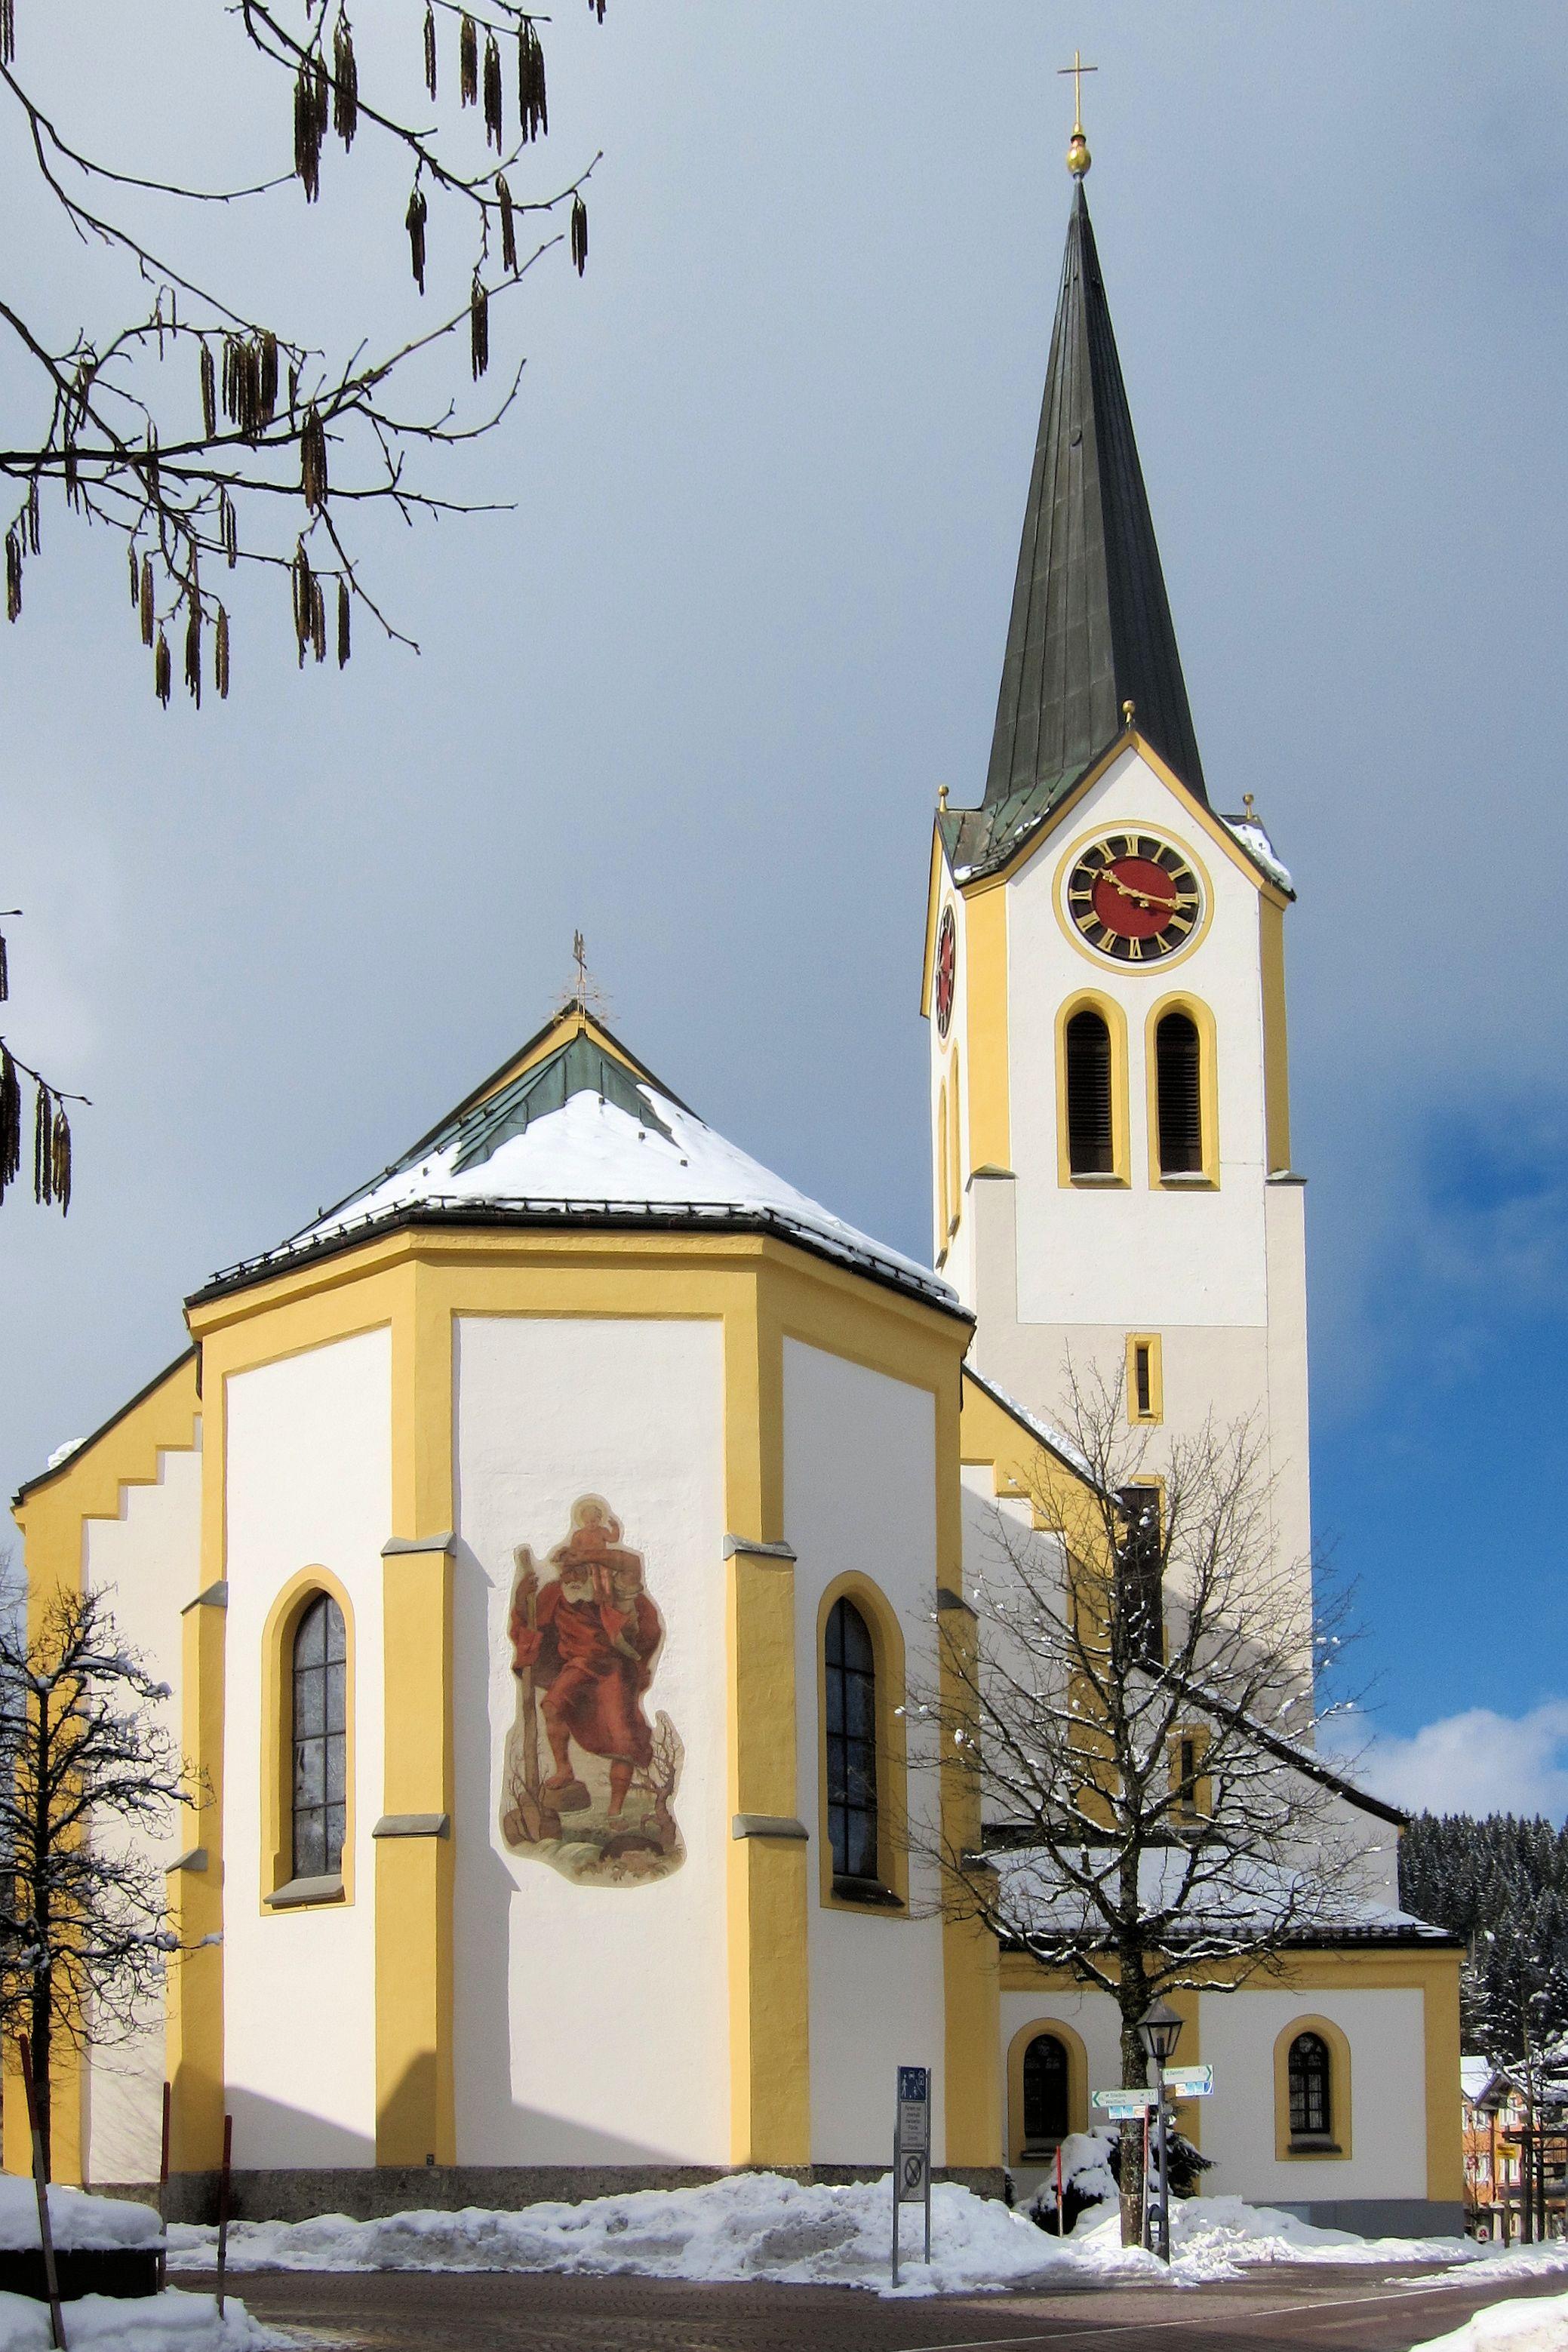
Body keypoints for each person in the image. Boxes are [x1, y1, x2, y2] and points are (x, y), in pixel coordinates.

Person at [509, 1499, 663, 1819]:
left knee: (623, 1741)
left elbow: (631, 1563)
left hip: (613, 1671)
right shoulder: (555, 1594)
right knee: (552, 1706)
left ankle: (615, 1810)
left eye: (577, 1570)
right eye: (566, 1572)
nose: (571, 1577)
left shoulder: (612, 1594)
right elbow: (529, 1623)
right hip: (578, 1667)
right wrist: (523, 1596)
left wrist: (588, 1554)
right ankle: (564, 1770)